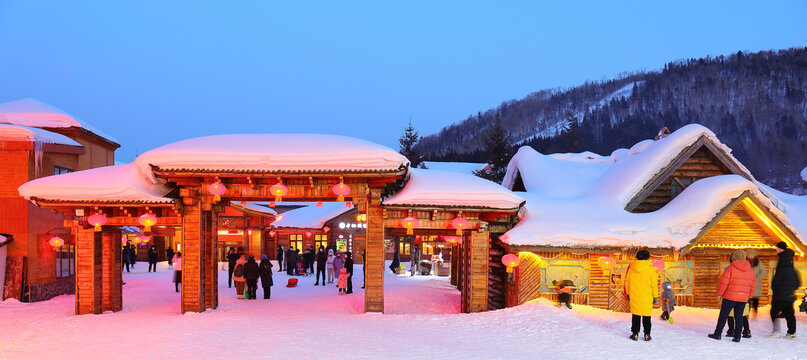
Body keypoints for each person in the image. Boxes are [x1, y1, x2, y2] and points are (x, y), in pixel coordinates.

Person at [708, 250, 756, 342]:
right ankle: (737, 337)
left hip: (730, 297)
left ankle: (718, 334)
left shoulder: (730, 268)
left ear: (734, 258)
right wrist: (748, 296)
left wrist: (719, 294)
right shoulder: (750, 270)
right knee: (739, 317)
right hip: (743, 298)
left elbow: (724, 283)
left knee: (723, 315)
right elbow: (752, 285)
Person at [768, 241, 801, 339]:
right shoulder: (793, 270)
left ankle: (776, 331)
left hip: (779, 296)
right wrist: (790, 290)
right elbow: (798, 283)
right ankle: (792, 333)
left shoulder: (781, 269)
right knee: (790, 314)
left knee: (773, 312)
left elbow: (775, 282)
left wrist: (776, 290)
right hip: (790, 296)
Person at [624, 249, 658, 341]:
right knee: (647, 316)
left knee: (636, 316)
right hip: (647, 296)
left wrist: (627, 293)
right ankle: (647, 334)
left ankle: (635, 334)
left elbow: (627, 282)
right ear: (647, 257)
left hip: (634, 295)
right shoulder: (650, 268)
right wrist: (655, 296)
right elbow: (653, 284)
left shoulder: (632, 267)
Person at [747, 250, 767, 316]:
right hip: (747, 284)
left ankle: (755, 314)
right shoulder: (744, 262)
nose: (749, 256)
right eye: (748, 254)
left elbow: (764, 272)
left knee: (755, 300)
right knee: (747, 301)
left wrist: (757, 277)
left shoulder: (758, 263)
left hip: (756, 285)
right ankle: (746, 314)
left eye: (751, 254)